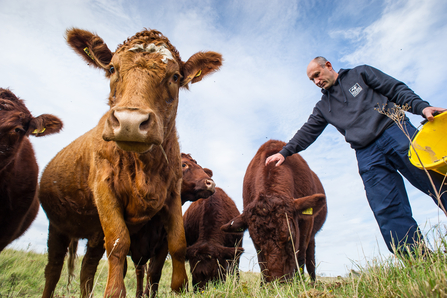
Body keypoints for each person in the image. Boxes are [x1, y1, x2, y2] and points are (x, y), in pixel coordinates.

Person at [265, 56, 447, 255]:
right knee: (386, 206)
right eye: (312, 80)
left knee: (437, 182)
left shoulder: (361, 73)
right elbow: (308, 131)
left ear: (328, 66)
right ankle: (417, 258)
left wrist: (421, 107)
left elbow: (394, 89)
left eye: (317, 75)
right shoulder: (323, 107)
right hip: (366, 153)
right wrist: (285, 152)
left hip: (394, 131)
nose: (316, 82)